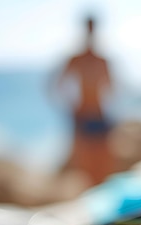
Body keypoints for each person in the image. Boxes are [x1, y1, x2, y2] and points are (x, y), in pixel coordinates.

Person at [56, 15, 114, 185]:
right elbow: (59, 85)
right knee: (84, 164)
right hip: (83, 114)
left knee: (104, 161)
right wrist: (72, 106)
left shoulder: (101, 60)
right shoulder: (77, 59)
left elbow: (111, 88)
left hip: (99, 113)